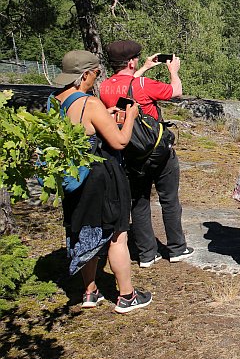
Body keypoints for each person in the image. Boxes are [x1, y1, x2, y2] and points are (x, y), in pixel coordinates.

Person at [53, 50, 152, 313]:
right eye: (96, 74)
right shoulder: (89, 103)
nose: (97, 79)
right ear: (84, 75)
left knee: (86, 230)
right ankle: (127, 296)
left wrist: (104, 115)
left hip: (75, 176)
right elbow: (119, 141)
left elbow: (80, 128)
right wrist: (129, 118)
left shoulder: (55, 100)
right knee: (117, 235)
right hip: (102, 176)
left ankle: (90, 291)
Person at [98, 40, 193, 267]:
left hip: (130, 152)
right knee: (169, 198)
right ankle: (177, 248)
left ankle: (146, 254)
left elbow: (125, 87)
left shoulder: (105, 87)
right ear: (131, 61)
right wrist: (173, 71)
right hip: (157, 151)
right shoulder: (143, 84)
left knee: (138, 202)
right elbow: (176, 92)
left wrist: (145, 68)